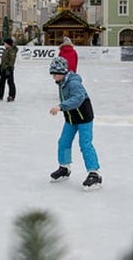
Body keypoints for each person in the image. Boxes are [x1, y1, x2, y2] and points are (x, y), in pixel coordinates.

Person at [47, 57, 102, 191]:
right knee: (64, 142)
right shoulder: (61, 82)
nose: (53, 76)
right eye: (52, 73)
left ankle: (94, 173)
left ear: (63, 72)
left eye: (56, 73)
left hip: (84, 117)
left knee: (85, 144)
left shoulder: (73, 83)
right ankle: (64, 168)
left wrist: (61, 106)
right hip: (71, 118)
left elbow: (78, 98)